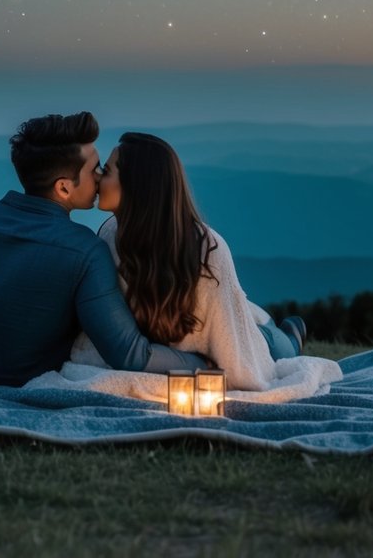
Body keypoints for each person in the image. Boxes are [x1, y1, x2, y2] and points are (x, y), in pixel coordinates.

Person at [0, 112, 209, 389]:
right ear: (64, 188)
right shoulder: (85, 251)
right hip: (18, 382)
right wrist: (204, 362)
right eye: (95, 169)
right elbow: (130, 354)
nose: (99, 177)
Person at [70, 131, 308, 391]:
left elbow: (234, 345)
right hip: (178, 342)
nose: (98, 178)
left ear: (136, 184)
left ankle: (292, 335)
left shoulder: (207, 248)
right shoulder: (109, 234)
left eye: (106, 170)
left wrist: (217, 369)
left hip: (243, 333)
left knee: (276, 347)